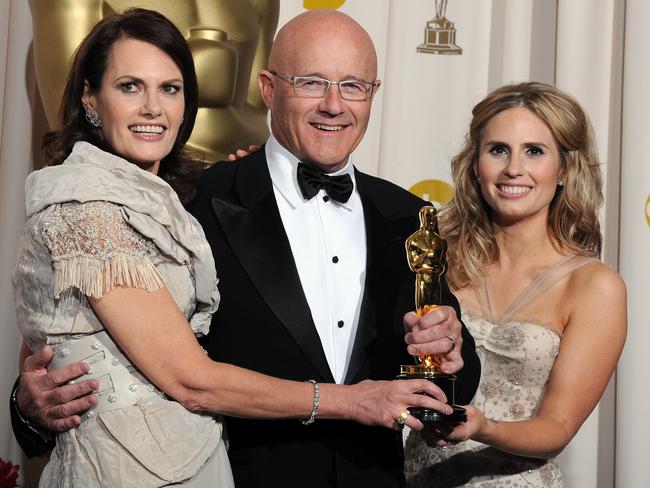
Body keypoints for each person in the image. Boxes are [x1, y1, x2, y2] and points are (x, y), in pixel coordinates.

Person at [10, 9, 474, 487]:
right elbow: (66, 343)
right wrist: (27, 407)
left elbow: (452, 380)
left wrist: (452, 354)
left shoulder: (409, 215)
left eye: (352, 85)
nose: (334, 105)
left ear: (373, 94)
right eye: (312, 82)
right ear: (268, 89)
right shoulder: (195, 205)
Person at [403, 82, 627, 487]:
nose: (513, 169)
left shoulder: (594, 286)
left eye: (535, 151)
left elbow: (557, 427)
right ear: (475, 164)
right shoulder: (435, 258)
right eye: (498, 149)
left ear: (563, 169)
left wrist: (482, 427)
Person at [29, 0, 279, 161]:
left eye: (170, 88)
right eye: (130, 86)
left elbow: (256, 113)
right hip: (115, 191)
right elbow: (67, 112)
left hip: (232, 201)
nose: (152, 107)